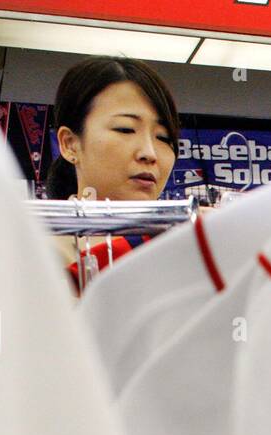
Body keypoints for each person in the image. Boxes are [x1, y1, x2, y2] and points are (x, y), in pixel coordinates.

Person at [44, 57, 179, 293]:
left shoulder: (185, 247)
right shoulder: (38, 253)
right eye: (125, 129)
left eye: (164, 138)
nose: (149, 153)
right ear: (70, 144)